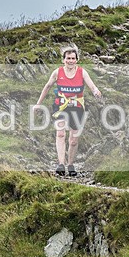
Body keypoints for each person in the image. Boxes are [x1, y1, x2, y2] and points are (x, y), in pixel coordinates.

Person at [34, 46, 102, 176]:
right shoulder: (57, 72)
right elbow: (47, 86)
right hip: (60, 106)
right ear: (63, 60)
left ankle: (70, 164)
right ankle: (61, 164)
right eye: (68, 58)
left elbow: (92, 85)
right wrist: (38, 104)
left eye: (73, 58)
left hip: (77, 107)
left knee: (73, 139)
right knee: (60, 134)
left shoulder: (82, 72)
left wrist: (95, 92)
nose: (70, 61)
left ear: (76, 60)